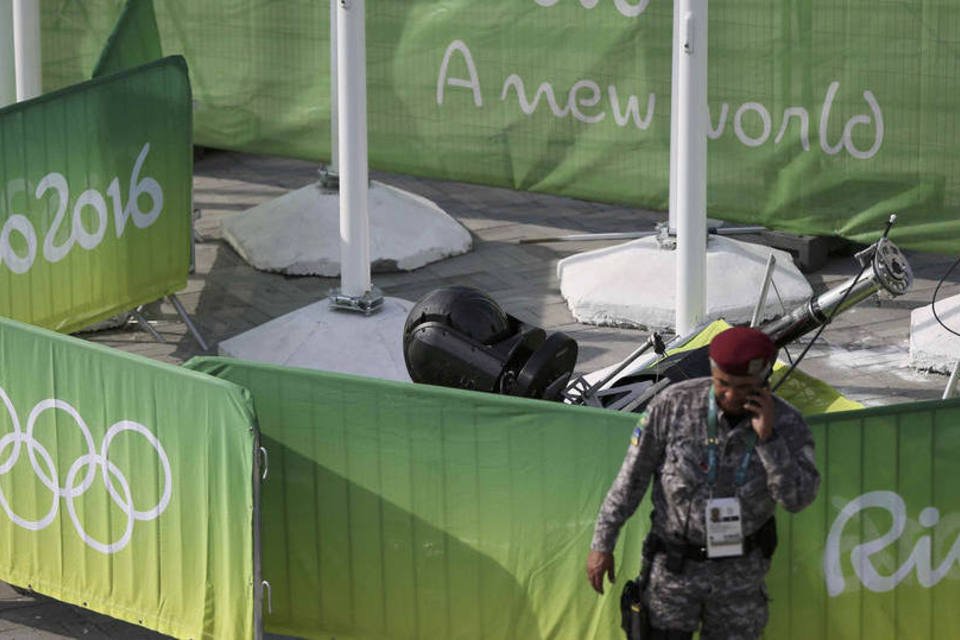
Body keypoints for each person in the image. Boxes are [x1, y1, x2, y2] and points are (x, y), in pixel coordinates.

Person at [586, 326, 820, 640]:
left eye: (744, 387)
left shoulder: (787, 423)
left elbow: (798, 499)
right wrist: (603, 543)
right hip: (674, 571)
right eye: (723, 384)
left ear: (764, 379)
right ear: (712, 372)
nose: (731, 395)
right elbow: (631, 479)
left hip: (739, 579)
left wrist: (769, 441)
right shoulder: (673, 405)